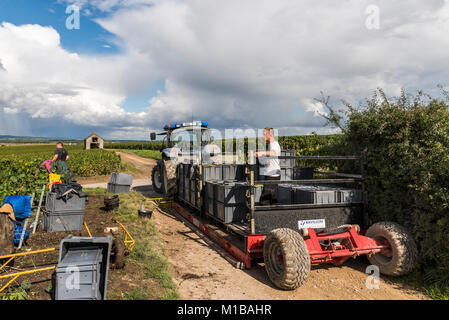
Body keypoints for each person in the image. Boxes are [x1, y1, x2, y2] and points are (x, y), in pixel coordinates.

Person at [255, 127, 281, 205]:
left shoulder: (274, 144)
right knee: (272, 198)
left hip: (273, 175)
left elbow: (273, 153)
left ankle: (264, 215)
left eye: (264, 134)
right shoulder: (270, 144)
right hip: (271, 174)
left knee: (264, 200)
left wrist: (261, 153)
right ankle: (274, 215)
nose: (263, 136)